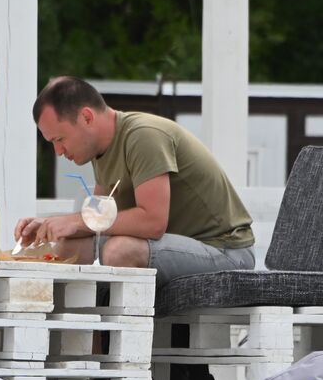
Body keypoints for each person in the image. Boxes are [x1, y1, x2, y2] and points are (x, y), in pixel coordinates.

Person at [14, 76, 255, 284]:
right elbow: (98, 219)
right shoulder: (100, 151)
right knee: (64, 249)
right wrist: (49, 225)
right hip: (179, 246)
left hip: (225, 250)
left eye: (60, 139)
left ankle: (124, 337)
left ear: (87, 117)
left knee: (120, 250)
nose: (58, 151)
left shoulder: (143, 136)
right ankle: (86, 337)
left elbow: (152, 222)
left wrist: (75, 222)